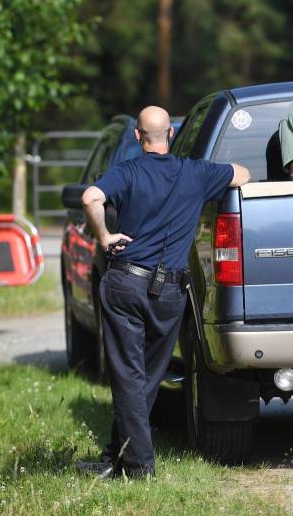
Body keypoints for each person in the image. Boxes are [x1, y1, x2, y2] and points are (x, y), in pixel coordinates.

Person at [76, 105, 250, 479]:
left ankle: (139, 467)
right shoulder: (196, 173)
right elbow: (242, 174)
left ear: (138, 137)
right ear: (170, 135)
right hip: (170, 292)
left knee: (128, 377)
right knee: (145, 379)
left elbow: (91, 198)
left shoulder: (127, 171)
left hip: (126, 284)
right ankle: (115, 459)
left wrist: (104, 236)